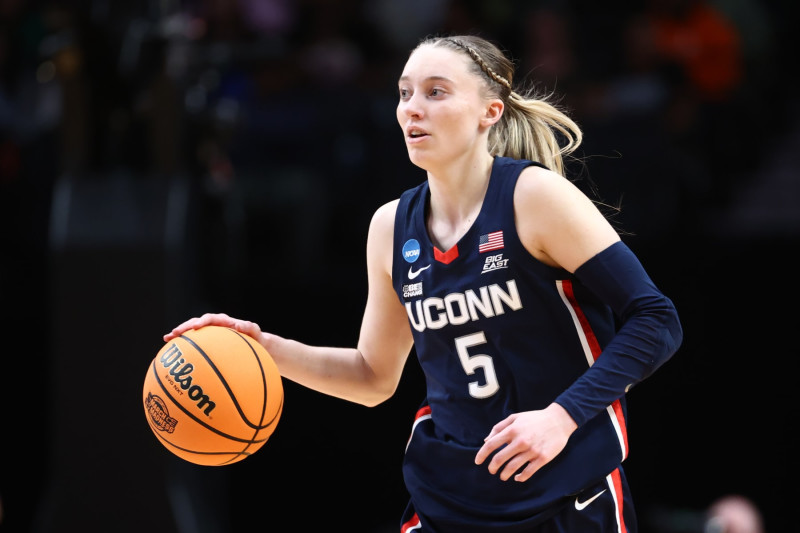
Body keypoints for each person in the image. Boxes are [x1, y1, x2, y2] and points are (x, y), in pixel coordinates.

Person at [164, 34, 683, 532]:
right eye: (405, 92)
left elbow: (656, 320)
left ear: (490, 112)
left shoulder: (534, 197)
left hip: (565, 489)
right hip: (450, 498)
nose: (412, 107)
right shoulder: (390, 226)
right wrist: (262, 349)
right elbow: (372, 377)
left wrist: (560, 418)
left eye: (436, 92)